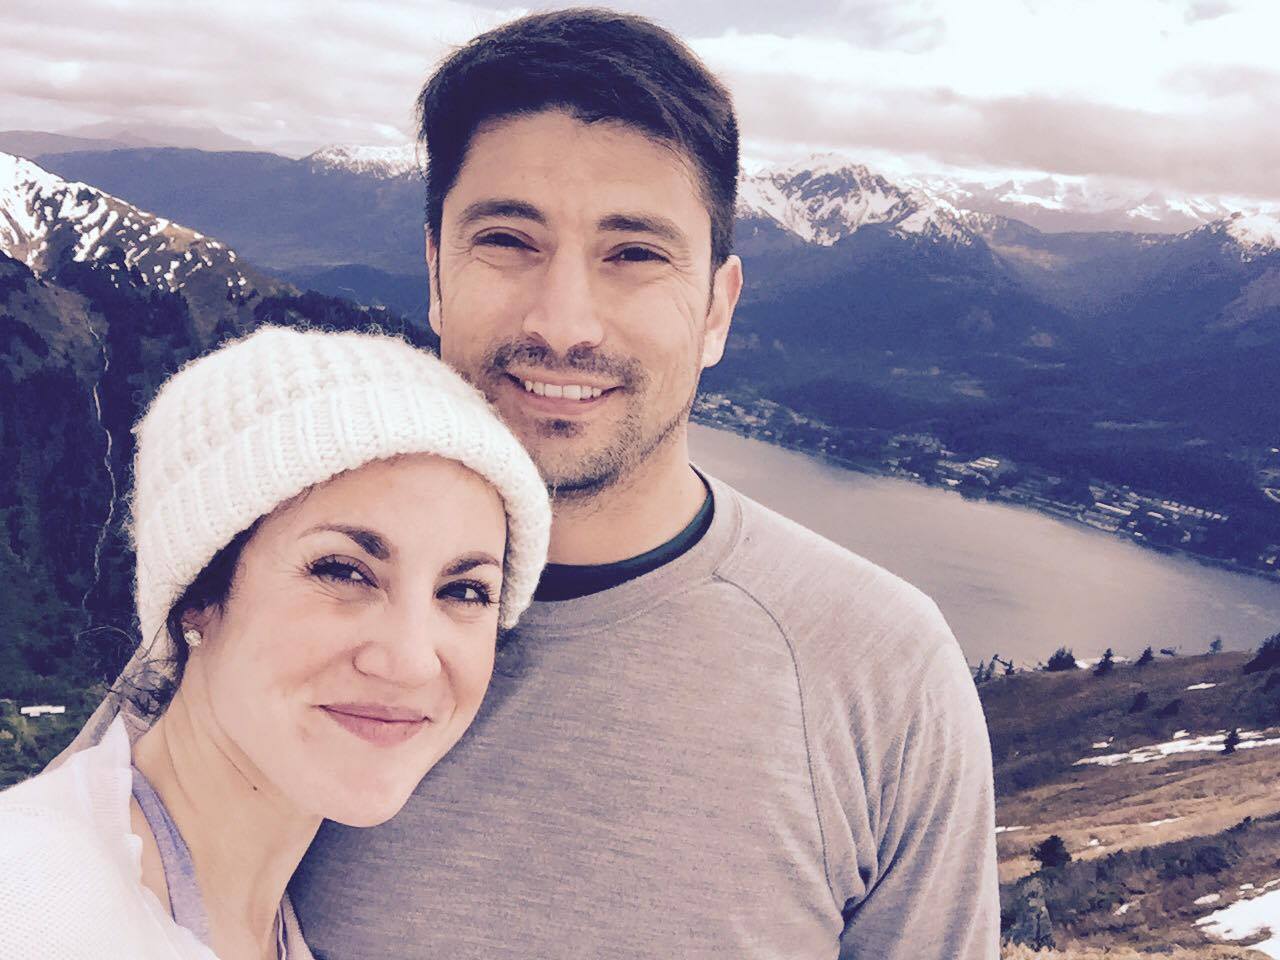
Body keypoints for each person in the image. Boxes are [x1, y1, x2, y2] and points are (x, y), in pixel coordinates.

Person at [292, 8, 1000, 959]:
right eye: (507, 239)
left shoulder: (879, 670)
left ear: (716, 310)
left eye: (635, 254)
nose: (563, 323)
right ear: (435, 272)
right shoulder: (282, 577)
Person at [0, 326, 551, 959]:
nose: (410, 661)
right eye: (343, 572)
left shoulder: (256, 930)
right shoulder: (31, 908)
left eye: (465, 591)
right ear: (197, 595)